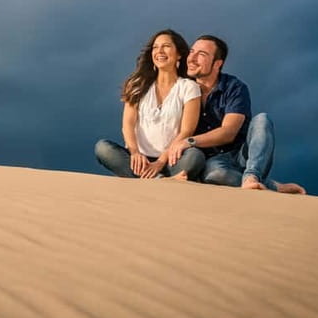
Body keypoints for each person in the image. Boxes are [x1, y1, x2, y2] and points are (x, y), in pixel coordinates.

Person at [168, 34, 305, 194]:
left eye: (201, 55)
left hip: (241, 153)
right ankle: (271, 186)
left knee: (262, 119)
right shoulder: (183, 88)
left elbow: (228, 132)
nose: (192, 58)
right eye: (192, 52)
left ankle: (252, 177)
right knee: (216, 175)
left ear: (217, 64)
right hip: (213, 160)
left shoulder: (234, 87)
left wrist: (189, 141)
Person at [95, 29, 206, 180]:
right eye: (155, 47)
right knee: (103, 148)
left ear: (179, 54)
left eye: (166, 46)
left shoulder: (189, 87)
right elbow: (128, 124)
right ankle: (159, 180)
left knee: (195, 156)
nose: (159, 51)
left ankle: (159, 177)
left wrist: (160, 162)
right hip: (139, 160)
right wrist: (134, 152)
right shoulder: (138, 85)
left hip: (171, 159)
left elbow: (186, 131)